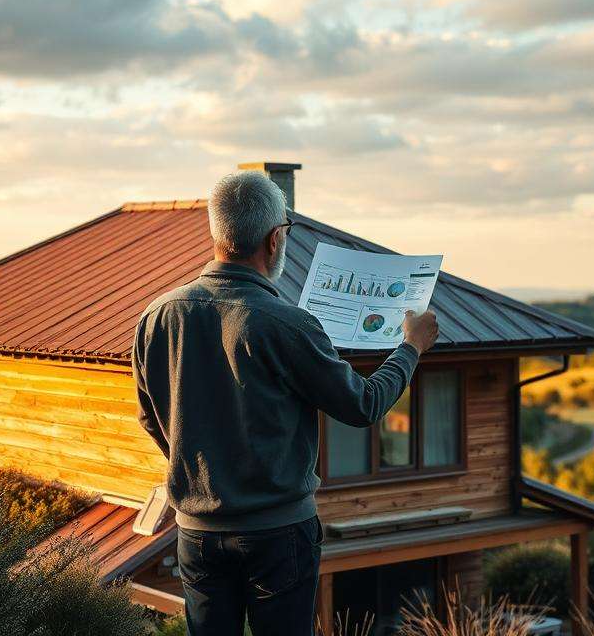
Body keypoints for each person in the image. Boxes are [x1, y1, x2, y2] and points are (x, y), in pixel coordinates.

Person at [132, 170, 439, 635]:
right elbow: (364, 405)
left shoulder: (157, 317)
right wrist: (411, 347)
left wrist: (201, 472)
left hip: (197, 532)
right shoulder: (287, 324)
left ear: (217, 231)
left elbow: (150, 418)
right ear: (275, 239)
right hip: (278, 535)